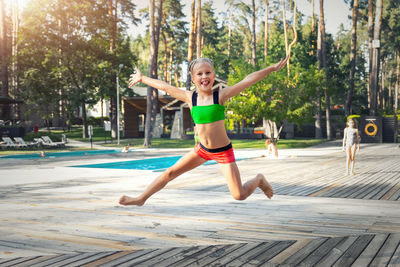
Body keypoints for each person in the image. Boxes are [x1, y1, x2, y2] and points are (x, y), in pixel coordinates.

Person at [119, 55, 289, 206]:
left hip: (223, 152)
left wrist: (271, 69)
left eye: (208, 72)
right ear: (193, 78)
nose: (204, 76)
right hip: (202, 150)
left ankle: (259, 179)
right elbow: (165, 86)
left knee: (239, 195)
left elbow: (247, 80)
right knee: (169, 172)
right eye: (199, 74)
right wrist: (142, 78)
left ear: (213, 75)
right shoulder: (190, 97)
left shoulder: (220, 96)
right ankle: (141, 198)